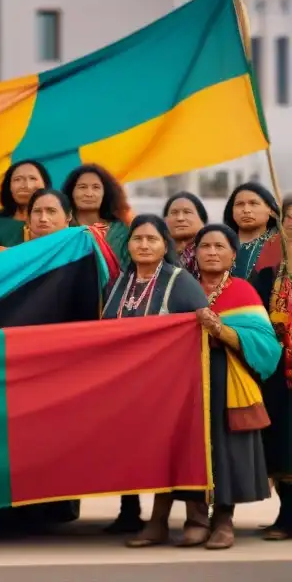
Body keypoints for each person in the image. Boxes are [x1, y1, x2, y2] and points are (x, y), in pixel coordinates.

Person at [128, 224, 278, 550]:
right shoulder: (180, 286)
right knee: (181, 447)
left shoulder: (243, 291)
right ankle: (186, 521)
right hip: (181, 381)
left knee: (223, 450)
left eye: (219, 246)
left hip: (225, 379)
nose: (211, 252)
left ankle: (223, 522)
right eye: (204, 246)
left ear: (232, 255)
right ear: (193, 253)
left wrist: (220, 330)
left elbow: (266, 344)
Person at [101, 215, 210, 536]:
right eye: (138, 239)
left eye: (152, 239)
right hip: (127, 387)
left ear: (165, 245)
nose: (144, 245)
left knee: (178, 450)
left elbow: (199, 330)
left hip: (172, 387)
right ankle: (138, 515)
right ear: (128, 245)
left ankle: (196, 518)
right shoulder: (118, 282)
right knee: (131, 448)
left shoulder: (181, 281)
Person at [249, 217, 292, 540]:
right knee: (283, 443)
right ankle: (287, 515)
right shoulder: (268, 269)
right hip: (279, 370)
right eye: (290, 218)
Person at [61, 163, 131, 270]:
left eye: (96, 187)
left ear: (105, 192)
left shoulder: (121, 231)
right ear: (71, 192)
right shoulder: (61, 230)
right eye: (82, 187)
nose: (89, 193)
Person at [223, 182, 280, 279]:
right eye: (239, 204)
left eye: (253, 203)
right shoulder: (218, 244)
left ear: (271, 210)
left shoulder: (281, 245)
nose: (246, 210)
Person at [0, 160, 51, 247]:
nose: (26, 185)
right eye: (17, 179)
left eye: (32, 178)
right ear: (8, 187)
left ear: (45, 184)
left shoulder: (58, 222)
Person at [164, 191, 208, 275]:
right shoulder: (156, 254)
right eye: (174, 212)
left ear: (202, 220)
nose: (180, 218)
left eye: (187, 212)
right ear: (165, 220)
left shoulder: (214, 253)